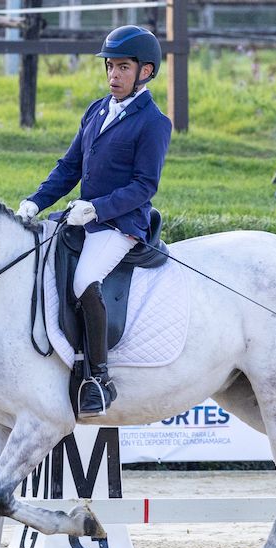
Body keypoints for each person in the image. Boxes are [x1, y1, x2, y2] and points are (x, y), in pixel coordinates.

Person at [17, 25, 173, 418]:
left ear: (146, 72)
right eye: (110, 66)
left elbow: (144, 186)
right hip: (83, 217)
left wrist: (98, 209)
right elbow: (70, 167)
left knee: (85, 279)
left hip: (121, 225)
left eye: (123, 67)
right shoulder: (96, 109)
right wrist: (36, 201)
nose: (113, 76)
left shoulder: (154, 122)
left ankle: (98, 378)